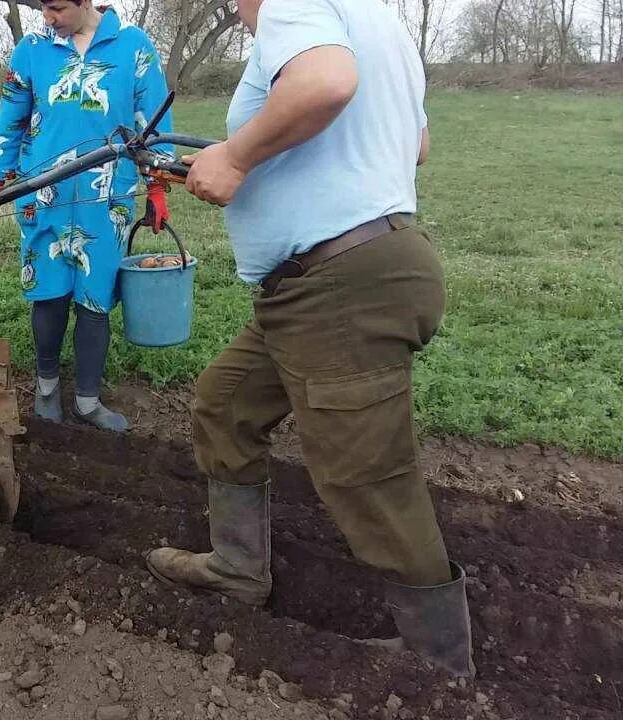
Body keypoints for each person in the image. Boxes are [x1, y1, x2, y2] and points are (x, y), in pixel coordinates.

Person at [145, 0, 474, 677]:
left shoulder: (296, 3)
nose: (234, 12)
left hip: (339, 287)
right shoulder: (380, 22)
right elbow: (415, 145)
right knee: (225, 404)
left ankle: (439, 667)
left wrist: (236, 155)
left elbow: (325, 85)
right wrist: (223, 165)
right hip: (317, 285)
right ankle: (238, 569)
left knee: (367, 478)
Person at [0, 0, 174, 432]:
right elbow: (9, 122)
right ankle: (47, 388)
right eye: (43, 8)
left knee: (96, 296)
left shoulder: (133, 47)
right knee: (47, 293)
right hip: (41, 193)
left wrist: (157, 184)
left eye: (57, 8)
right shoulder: (31, 50)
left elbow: (153, 122)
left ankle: (87, 399)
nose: (48, 17)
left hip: (106, 198)